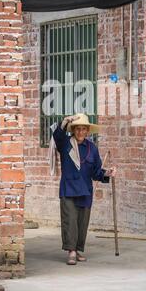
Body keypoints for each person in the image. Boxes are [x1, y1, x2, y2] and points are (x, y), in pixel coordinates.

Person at [53, 113, 116, 265]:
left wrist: (107, 173)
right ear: (73, 130)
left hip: (85, 191)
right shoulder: (66, 144)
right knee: (70, 220)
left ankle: (78, 248)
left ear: (87, 131)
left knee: (82, 222)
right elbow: (57, 137)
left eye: (83, 129)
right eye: (77, 129)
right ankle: (71, 251)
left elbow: (96, 172)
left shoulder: (92, 149)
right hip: (68, 189)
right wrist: (64, 122)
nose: (80, 132)